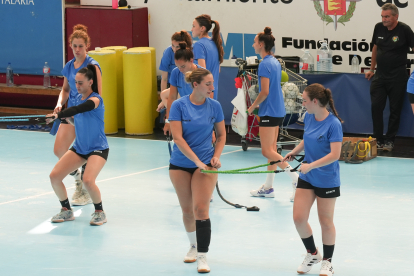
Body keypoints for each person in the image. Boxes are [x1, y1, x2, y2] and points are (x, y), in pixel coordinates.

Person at [168, 68, 225, 273]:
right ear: (196, 85)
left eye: (212, 83)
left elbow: (221, 136)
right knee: (187, 210)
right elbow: (178, 138)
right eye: (208, 84)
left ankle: (202, 255)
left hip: (206, 166)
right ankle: (193, 245)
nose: (212, 87)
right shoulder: (178, 106)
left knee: (201, 209)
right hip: (180, 164)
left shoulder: (215, 106)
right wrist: (195, 161)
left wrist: (215, 156)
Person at [283, 83, 343, 276]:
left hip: (327, 178)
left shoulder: (333, 124)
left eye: (305, 100)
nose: (303, 104)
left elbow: (335, 155)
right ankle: (312, 253)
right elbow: (306, 138)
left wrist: (310, 165)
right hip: (308, 177)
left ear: (315, 101)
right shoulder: (309, 117)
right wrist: (294, 152)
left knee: (325, 222)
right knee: (299, 218)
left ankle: (327, 261)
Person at [47, 65, 109, 226]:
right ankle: (66, 210)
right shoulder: (76, 99)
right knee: (54, 177)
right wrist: (65, 119)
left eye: (81, 83)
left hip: (98, 148)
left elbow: (82, 109)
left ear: (90, 82)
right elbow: (78, 119)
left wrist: (59, 114)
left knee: (88, 180)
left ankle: (99, 212)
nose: (77, 86)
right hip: (80, 148)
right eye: (76, 83)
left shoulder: (96, 99)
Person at [53, 24, 102, 205]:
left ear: (87, 45)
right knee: (59, 150)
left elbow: (99, 95)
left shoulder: (93, 66)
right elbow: (65, 90)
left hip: (86, 114)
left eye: (81, 46)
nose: (77, 49)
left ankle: (86, 190)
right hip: (69, 114)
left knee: (86, 150)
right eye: (74, 46)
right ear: (70, 46)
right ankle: (78, 178)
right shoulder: (68, 66)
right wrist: (59, 105)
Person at [247, 27, 298, 201]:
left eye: (255, 42)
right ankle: (268, 187)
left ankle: (296, 179)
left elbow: (264, 91)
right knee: (273, 150)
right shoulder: (275, 61)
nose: (253, 44)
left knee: (267, 151)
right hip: (278, 110)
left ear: (261, 44)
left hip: (269, 111)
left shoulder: (264, 64)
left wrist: (253, 106)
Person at [365, 3, 414, 151]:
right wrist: (372, 69)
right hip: (380, 75)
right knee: (376, 107)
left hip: (398, 76)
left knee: (395, 110)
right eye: (382, 16)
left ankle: (390, 141)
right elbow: (375, 48)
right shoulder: (378, 27)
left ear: (396, 16)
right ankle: (377, 140)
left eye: (387, 16)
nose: (384, 19)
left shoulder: (404, 29)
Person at [163, 42, 204, 136]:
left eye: (183, 66)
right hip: (184, 114)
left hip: (200, 115)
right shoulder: (175, 73)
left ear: (191, 60)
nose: (180, 69)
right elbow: (172, 97)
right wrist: (168, 121)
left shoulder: (203, 74)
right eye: (178, 66)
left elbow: (209, 100)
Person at [157, 30, 193, 111]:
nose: (174, 49)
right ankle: (172, 118)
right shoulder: (168, 52)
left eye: (177, 47)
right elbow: (164, 78)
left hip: (190, 85)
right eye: (173, 45)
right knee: (164, 96)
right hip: (175, 85)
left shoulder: (191, 53)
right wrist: (163, 101)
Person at [191, 14, 224, 100]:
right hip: (212, 94)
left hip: (203, 96)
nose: (192, 29)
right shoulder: (215, 43)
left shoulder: (199, 45)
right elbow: (218, 70)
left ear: (202, 28)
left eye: (194, 26)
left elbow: (202, 72)